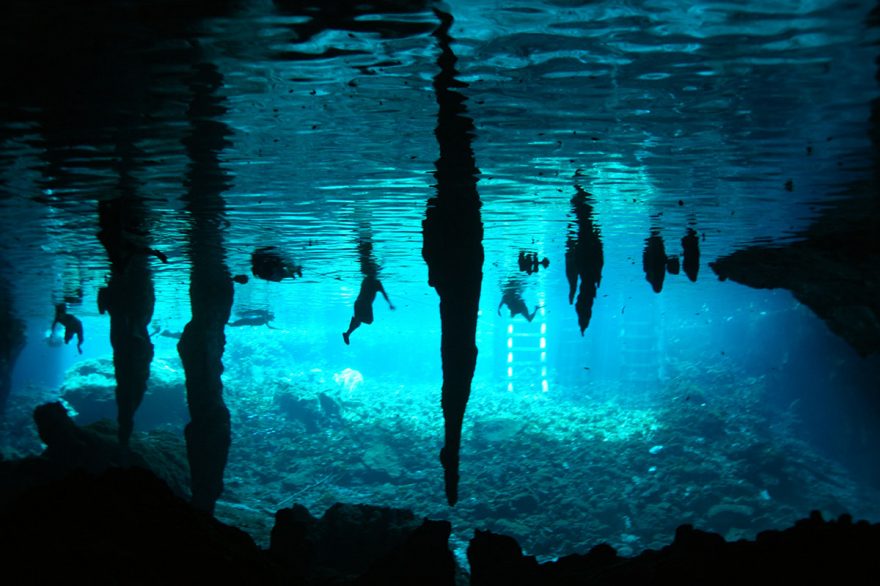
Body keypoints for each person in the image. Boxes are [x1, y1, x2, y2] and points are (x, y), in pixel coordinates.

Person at [342, 238, 394, 345]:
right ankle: (353, 324)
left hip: (359, 302)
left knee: (361, 321)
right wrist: (390, 304)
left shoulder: (366, 279)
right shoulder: (377, 282)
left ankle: (348, 332)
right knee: (368, 321)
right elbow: (384, 294)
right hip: (364, 304)